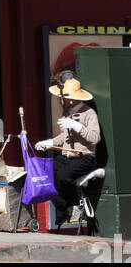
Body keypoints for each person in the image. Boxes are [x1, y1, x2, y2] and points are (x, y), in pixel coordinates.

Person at [35, 76, 101, 231]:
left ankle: (73, 205)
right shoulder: (67, 112)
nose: (62, 100)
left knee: (63, 176)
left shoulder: (89, 113)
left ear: (71, 99)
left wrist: (77, 126)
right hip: (66, 156)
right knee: (46, 172)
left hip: (85, 157)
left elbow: (95, 138)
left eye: (64, 98)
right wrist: (49, 143)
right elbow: (64, 137)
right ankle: (63, 208)